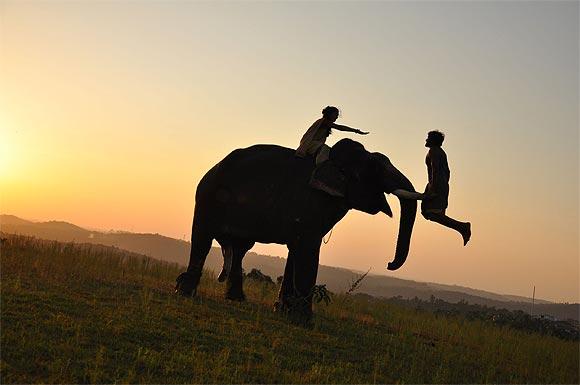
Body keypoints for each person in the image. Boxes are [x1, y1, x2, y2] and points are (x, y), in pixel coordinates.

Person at [421, 130, 471, 246]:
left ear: (433, 140)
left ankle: (463, 227)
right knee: (428, 212)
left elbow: (436, 171)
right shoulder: (437, 152)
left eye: (428, 138)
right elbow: (447, 172)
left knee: (432, 214)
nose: (426, 140)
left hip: (437, 186)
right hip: (437, 185)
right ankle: (462, 227)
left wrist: (434, 189)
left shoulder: (434, 152)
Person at [296, 106, 368, 164]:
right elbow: (340, 127)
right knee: (325, 150)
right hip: (310, 144)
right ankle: (320, 167)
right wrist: (355, 130)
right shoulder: (324, 121)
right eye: (335, 114)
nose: (337, 117)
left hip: (315, 145)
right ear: (330, 114)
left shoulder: (325, 123)